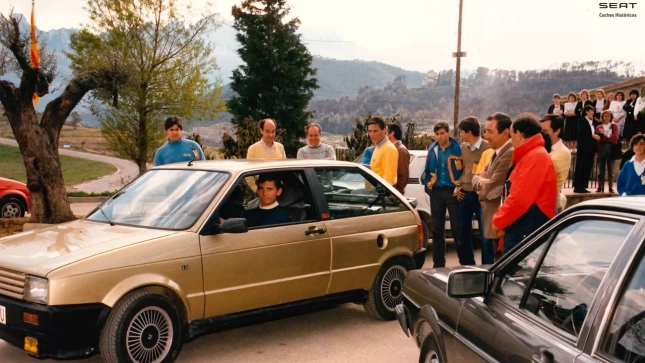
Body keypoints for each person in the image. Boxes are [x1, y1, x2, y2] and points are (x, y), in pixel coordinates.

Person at [492, 114, 557, 254]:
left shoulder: (535, 157)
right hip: (525, 230)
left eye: (512, 135)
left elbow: (519, 199)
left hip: (527, 232)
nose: (510, 140)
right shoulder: (530, 155)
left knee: (514, 274)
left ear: (520, 134)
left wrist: (498, 221)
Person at [472, 113, 513, 264]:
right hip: (493, 223)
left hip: (500, 225)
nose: (485, 135)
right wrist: (482, 181)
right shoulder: (497, 152)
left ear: (505, 132)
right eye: (485, 131)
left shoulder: (508, 153)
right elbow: (474, 177)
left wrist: (481, 185)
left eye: (490, 132)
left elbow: (493, 189)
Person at [423, 121, 462, 268]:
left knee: (457, 229)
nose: (439, 136)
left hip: (453, 192)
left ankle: (462, 263)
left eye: (442, 133)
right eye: (437, 134)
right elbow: (427, 171)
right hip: (437, 192)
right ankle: (438, 264)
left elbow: (463, 169)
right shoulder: (433, 150)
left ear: (448, 133)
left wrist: (460, 187)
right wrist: (429, 188)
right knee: (437, 230)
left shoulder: (457, 148)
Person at [455, 116, 490, 265]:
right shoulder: (463, 148)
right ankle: (467, 266)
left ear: (469, 132)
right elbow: (460, 170)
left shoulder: (488, 148)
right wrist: (458, 185)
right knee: (462, 234)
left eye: (462, 132)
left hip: (481, 195)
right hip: (465, 193)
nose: (461, 135)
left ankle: (487, 267)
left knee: (485, 235)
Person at [539, 114, 571, 212]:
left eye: (545, 131)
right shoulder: (543, 148)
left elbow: (541, 175)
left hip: (550, 206)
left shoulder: (562, 152)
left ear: (557, 131)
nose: (542, 135)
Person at [573, 105, 600, 193]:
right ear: (586, 111)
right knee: (581, 166)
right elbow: (582, 132)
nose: (592, 112)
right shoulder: (582, 120)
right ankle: (578, 186)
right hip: (583, 147)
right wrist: (592, 135)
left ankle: (583, 186)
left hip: (590, 148)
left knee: (588, 167)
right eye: (591, 111)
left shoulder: (591, 122)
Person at [367, 116, 398, 185]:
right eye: (370, 131)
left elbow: (389, 180)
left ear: (384, 131)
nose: (372, 134)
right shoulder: (379, 147)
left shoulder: (388, 149)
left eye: (375, 131)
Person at [596, 110, 620, 193]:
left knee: (611, 170)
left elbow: (615, 138)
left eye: (608, 116)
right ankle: (600, 187)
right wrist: (607, 137)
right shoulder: (599, 127)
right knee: (600, 171)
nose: (606, 118)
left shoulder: (614, 126)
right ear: (602, 117)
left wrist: (604, 137)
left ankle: (610, 187)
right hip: (601, 150)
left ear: (611, 117)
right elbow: (598, 139)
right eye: (605, 116)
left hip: (611, 150)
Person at [386, 123, 410, 194]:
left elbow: (403, 174)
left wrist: (397, 189)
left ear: (392, 133)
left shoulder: (401, 150)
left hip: (395, 192)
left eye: (386, 132)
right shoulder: (390, 148)